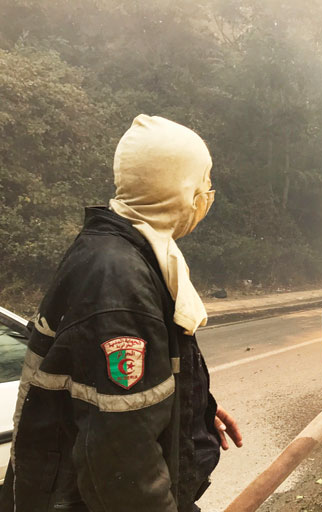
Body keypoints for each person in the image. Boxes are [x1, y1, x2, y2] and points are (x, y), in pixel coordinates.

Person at [0, 115, 242, 512]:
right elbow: (121, 458)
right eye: (203, 181)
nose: (207, 194)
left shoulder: (124, 249)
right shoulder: (120, 280)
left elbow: (114, 391)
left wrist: (194, 409)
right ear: (179, 189)